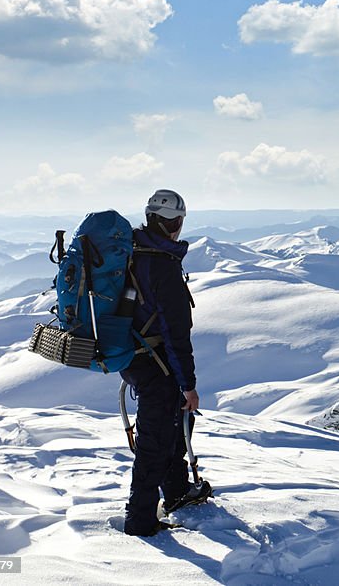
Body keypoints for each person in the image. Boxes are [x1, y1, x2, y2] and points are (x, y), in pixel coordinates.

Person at [120, 188, 212, 537]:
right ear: (174, 223)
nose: (177, 227)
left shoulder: (134, 251)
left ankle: (176, 492)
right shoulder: (162, 266)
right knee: (154, 442)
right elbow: (176, 333)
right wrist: (188, 385)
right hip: (155, 362)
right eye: (177, 221)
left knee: (170, 425)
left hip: (135, 356)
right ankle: (140, 520)